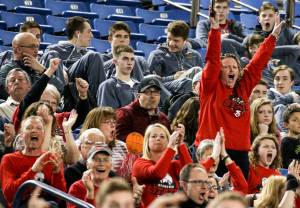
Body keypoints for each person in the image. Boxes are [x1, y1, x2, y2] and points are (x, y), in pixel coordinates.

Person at [195, 10, 284, 178]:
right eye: (226, 66)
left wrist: (272, 37)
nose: (231, 69)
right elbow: (212, 61)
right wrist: (215, 31)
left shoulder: (242, 88)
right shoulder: (210, 88)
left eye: (235, 67)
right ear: (218, 72)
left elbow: (257, 64)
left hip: (240, 153)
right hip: (211, 148)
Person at [0, 116, 66, 208]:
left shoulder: (52, 158)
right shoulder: (9, 159)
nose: (34, 131)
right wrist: (33, 170)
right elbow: (9, 195)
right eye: (29, 128)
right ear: (22, 135)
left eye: (39, 128)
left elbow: (61, 199)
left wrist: (57, 173)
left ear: (44, 134)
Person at [132, 123, 192, 206]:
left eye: (162, 136)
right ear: (147, 141)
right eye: (154, 136)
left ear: (168, 141)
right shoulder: (139, 163)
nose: (158, 138)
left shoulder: (173, 165)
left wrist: (180, 143)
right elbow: (157, 173)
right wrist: (171, 147)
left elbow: (191, 172)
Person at [0, 33, 64, 99]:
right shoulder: (7, 70)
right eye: (32, 47)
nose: (36, 51)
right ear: (18, 49)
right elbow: (11, 95)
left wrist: (42, 70)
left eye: (37, 47)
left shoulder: (37, 69)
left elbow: (60, 89)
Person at [116, 76, 170, 142]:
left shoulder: (163, 118)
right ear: (138, 96)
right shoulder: (125, 114)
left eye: (156, 92)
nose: (152, 96)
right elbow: (120, 142)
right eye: (147, 92)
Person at [80, 107, 128, 172]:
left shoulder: (122, 145)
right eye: (107, 122)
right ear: (94, 124)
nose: (113, 125)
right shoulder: (83, 146)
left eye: (114, 122)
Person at [268, 65, 299, 131]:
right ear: (273, 81)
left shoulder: (296, 97)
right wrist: (288, 97)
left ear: (291, 82)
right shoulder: (268, 93)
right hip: (277, 133)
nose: (280, 82)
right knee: (280, 107)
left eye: (285, 79)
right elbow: (268, 106)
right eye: (277, 79)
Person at [281, 103, 300, 168]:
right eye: (295, 120)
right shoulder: (286, 142)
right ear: (286, 125)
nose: (299, 122)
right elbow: (287, 163)